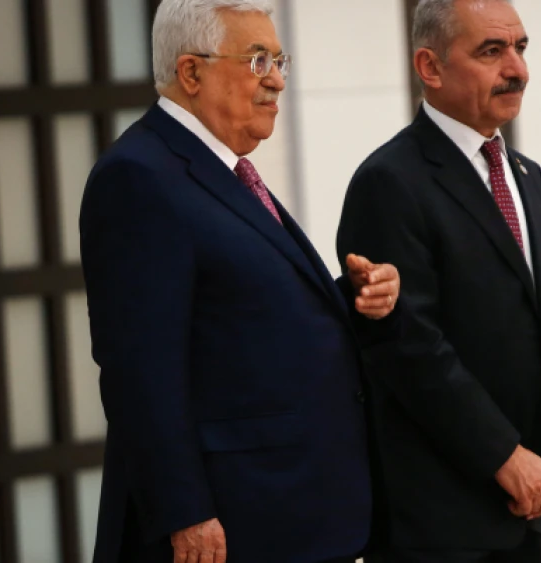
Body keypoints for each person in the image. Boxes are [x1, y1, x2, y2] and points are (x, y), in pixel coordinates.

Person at [80, 1, 400, 561]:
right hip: (227, 526)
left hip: (290, 512)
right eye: (256, 61)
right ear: (191, 73)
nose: (276, 79)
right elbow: (139, 369)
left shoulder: (224, 170)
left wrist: (352, 298)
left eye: (279, 60)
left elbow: (241, 317)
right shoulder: (138, 176)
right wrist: (185, 511)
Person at [335, 1, 541, 561]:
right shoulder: (390, 182)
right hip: (439, 525)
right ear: (430, 66)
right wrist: (506, 458)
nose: (517, 68)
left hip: (527, 511)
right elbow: (408, 349)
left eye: (520, 48)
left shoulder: (529, 178)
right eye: (491, 51)